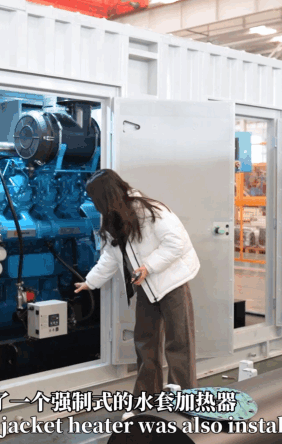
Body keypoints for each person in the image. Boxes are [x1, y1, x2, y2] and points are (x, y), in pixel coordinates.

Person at [73, 169, 201, 421]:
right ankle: (146, 400)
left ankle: (184, 401)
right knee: (145, 343)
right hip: (146, 286)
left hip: (172, 283)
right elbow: (111, 257)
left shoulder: (151, 211)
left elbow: (177, 243)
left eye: (95, 198)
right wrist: (90, 282)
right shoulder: (112, 220)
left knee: (179, 342)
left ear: (106, 195)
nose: (94, 204)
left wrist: (148, 267)